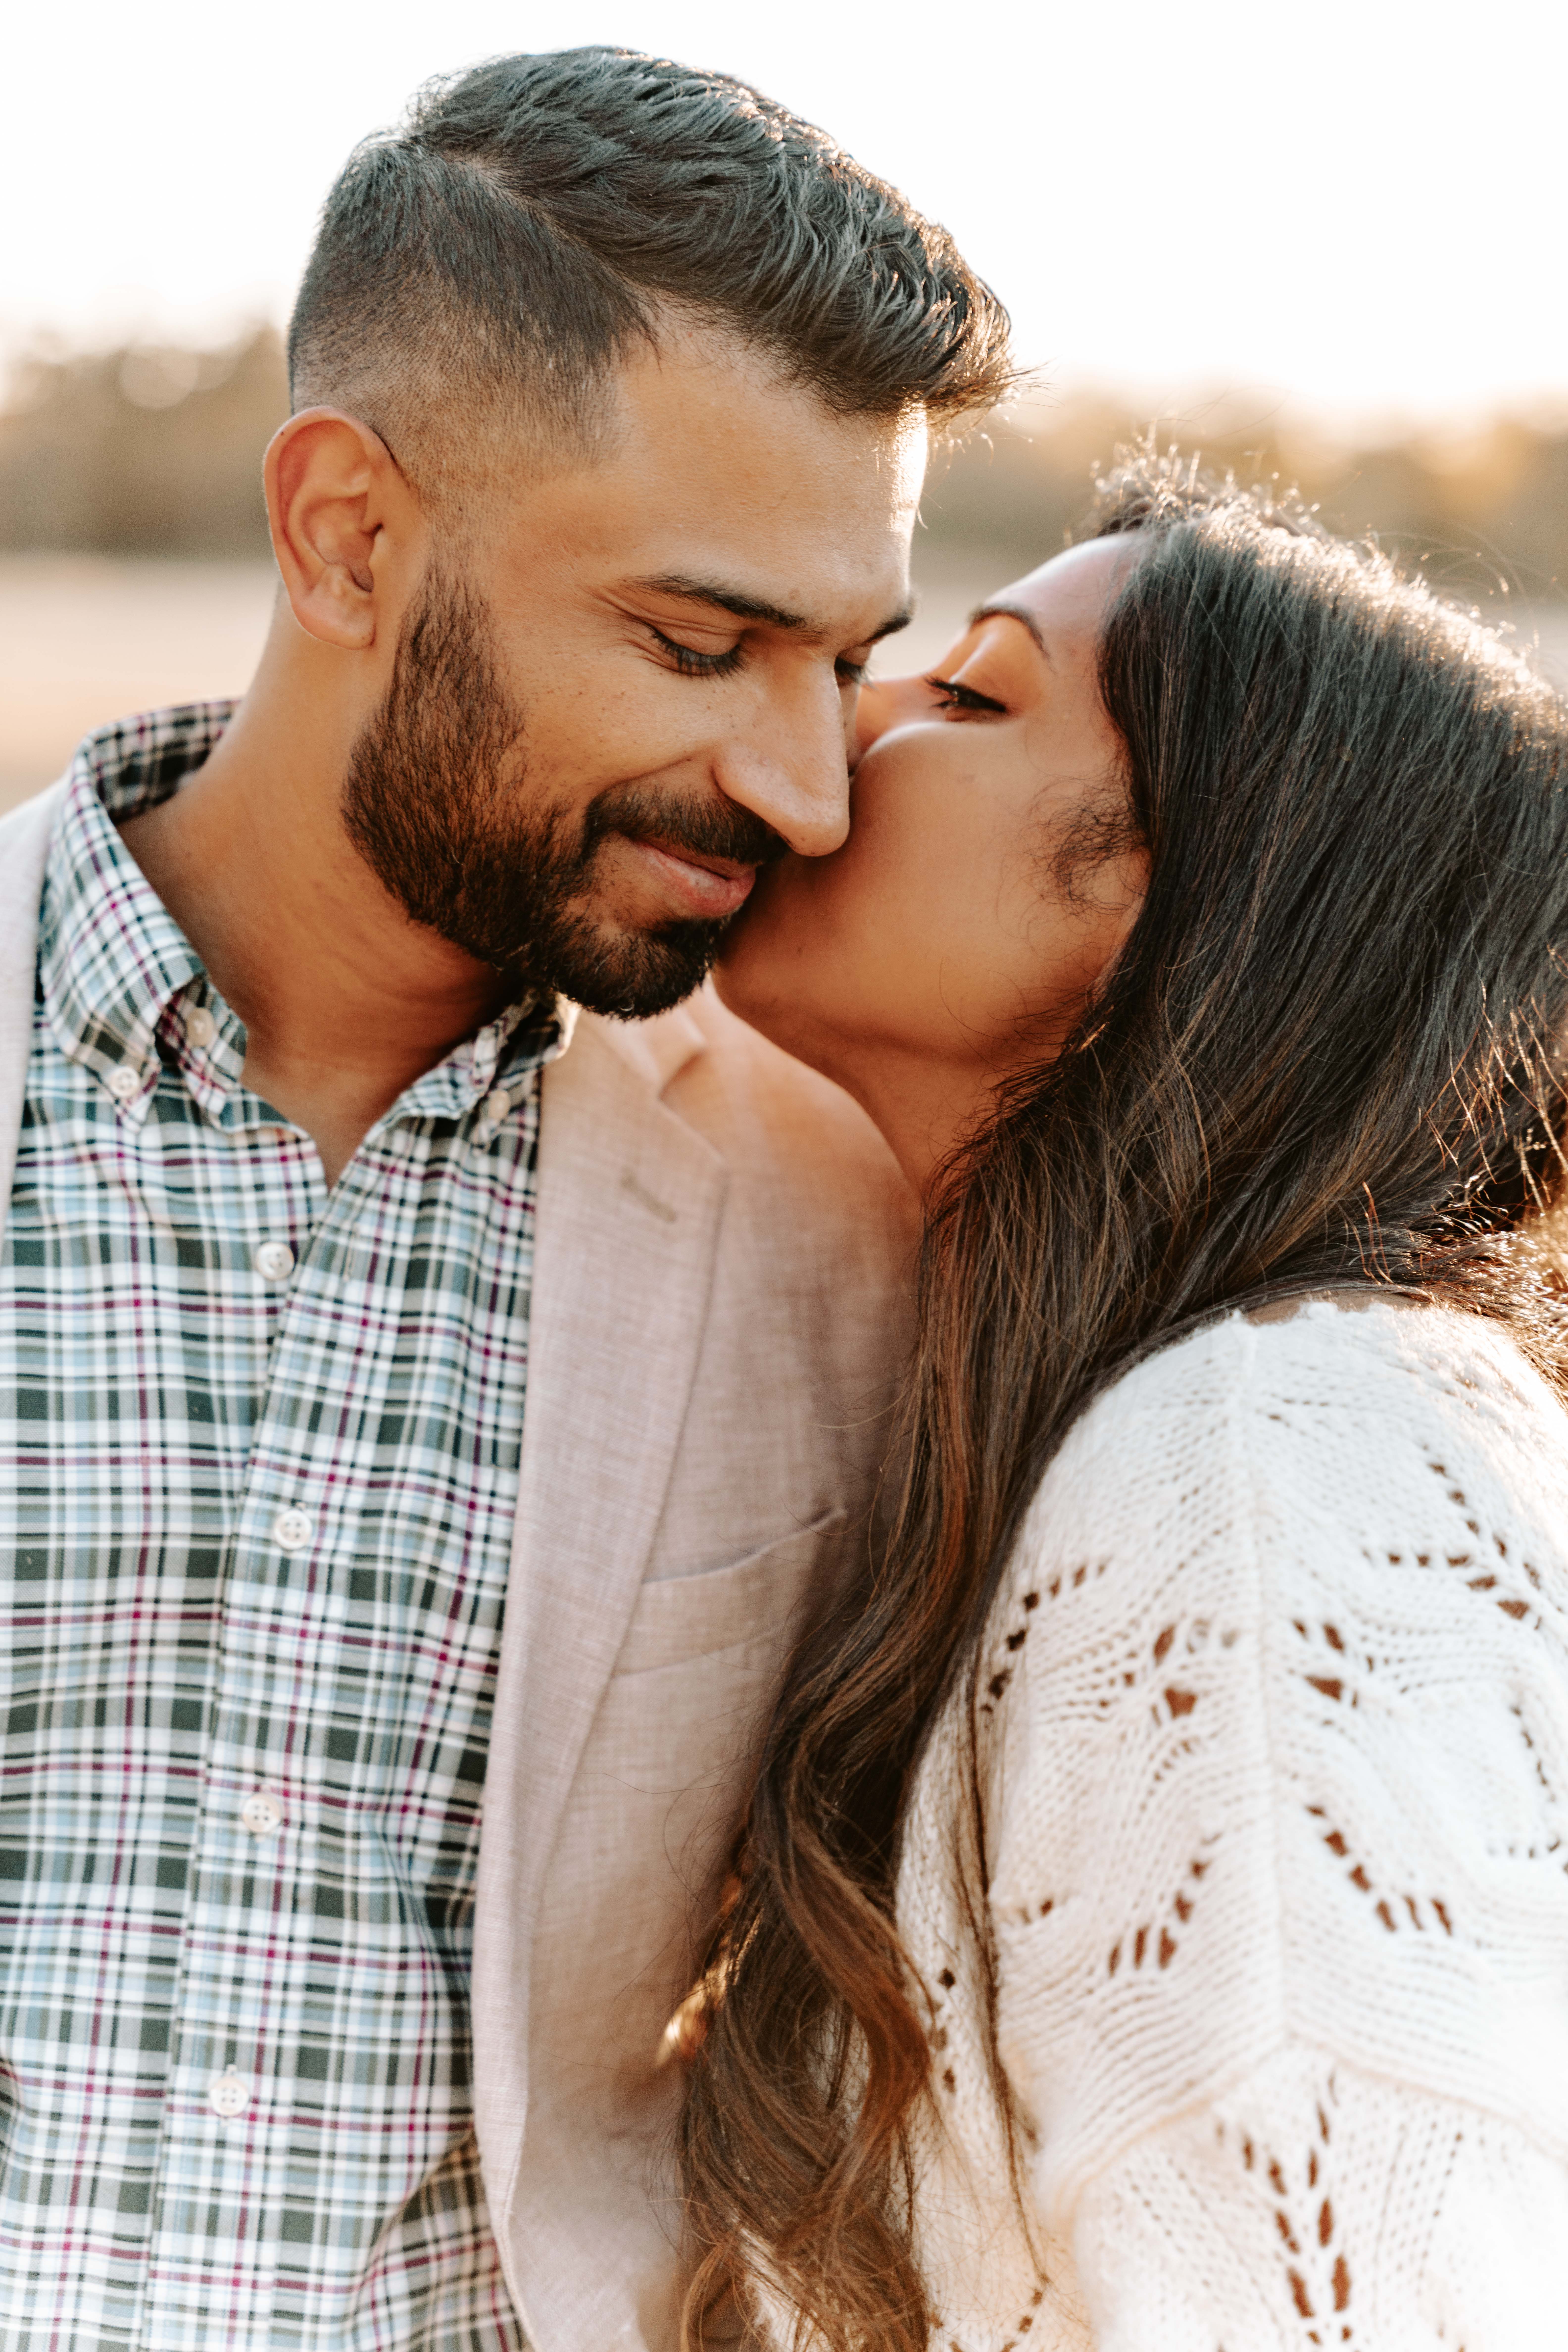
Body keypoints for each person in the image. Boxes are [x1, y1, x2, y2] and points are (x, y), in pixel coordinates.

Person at [0, 48, 1012, 2352]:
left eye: (841, 666)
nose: (803, 787)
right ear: (351, 531)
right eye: (695, 644)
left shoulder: (831, 1220)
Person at [685, 453, 1568, 2348]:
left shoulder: (1261, 1481)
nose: (847, 717)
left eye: (973, 690)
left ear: (1208, 923)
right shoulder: (1140, 1407)